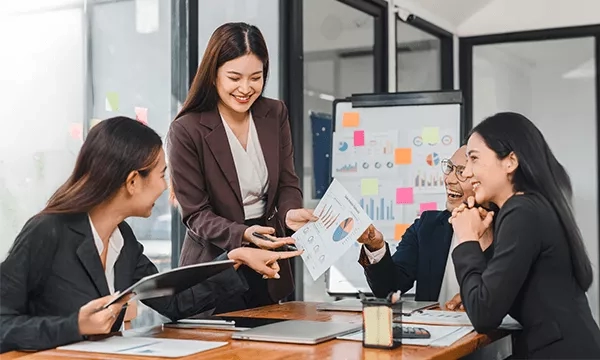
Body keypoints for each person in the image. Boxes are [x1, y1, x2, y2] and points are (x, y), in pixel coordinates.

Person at [0, 117, 302, 353]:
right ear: (133, 181)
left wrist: (234, 259)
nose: (165, 186)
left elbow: (173, 301)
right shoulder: (47, 231)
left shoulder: (123, 240)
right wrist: (74, 325)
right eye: (161, 174)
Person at [167, 22, 314, 313]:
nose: (246, 89)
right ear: (213, 74)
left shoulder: (274, 113)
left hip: (268, 260)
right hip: (216, 263)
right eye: (234, 77)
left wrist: (290, 211)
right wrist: (244, 234)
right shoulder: (187, 129)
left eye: (256, 78)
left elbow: (286, 182)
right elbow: (196, 214)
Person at [449, 112, 600, 358]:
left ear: (510, 162)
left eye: (473, 159)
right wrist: (482, 238)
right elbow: (494, 293)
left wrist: (466, 239)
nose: (465, 173)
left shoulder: (521, 211)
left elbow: (483, 314)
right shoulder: (528, 206)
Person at [357, 145, 493, 309]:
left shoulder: (507, 227)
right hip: (435, 331)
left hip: (490, 333)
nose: (449, 179)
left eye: (462, 172)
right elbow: (388, 289)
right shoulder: (427, 226)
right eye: (449, 168)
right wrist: (375, 246)